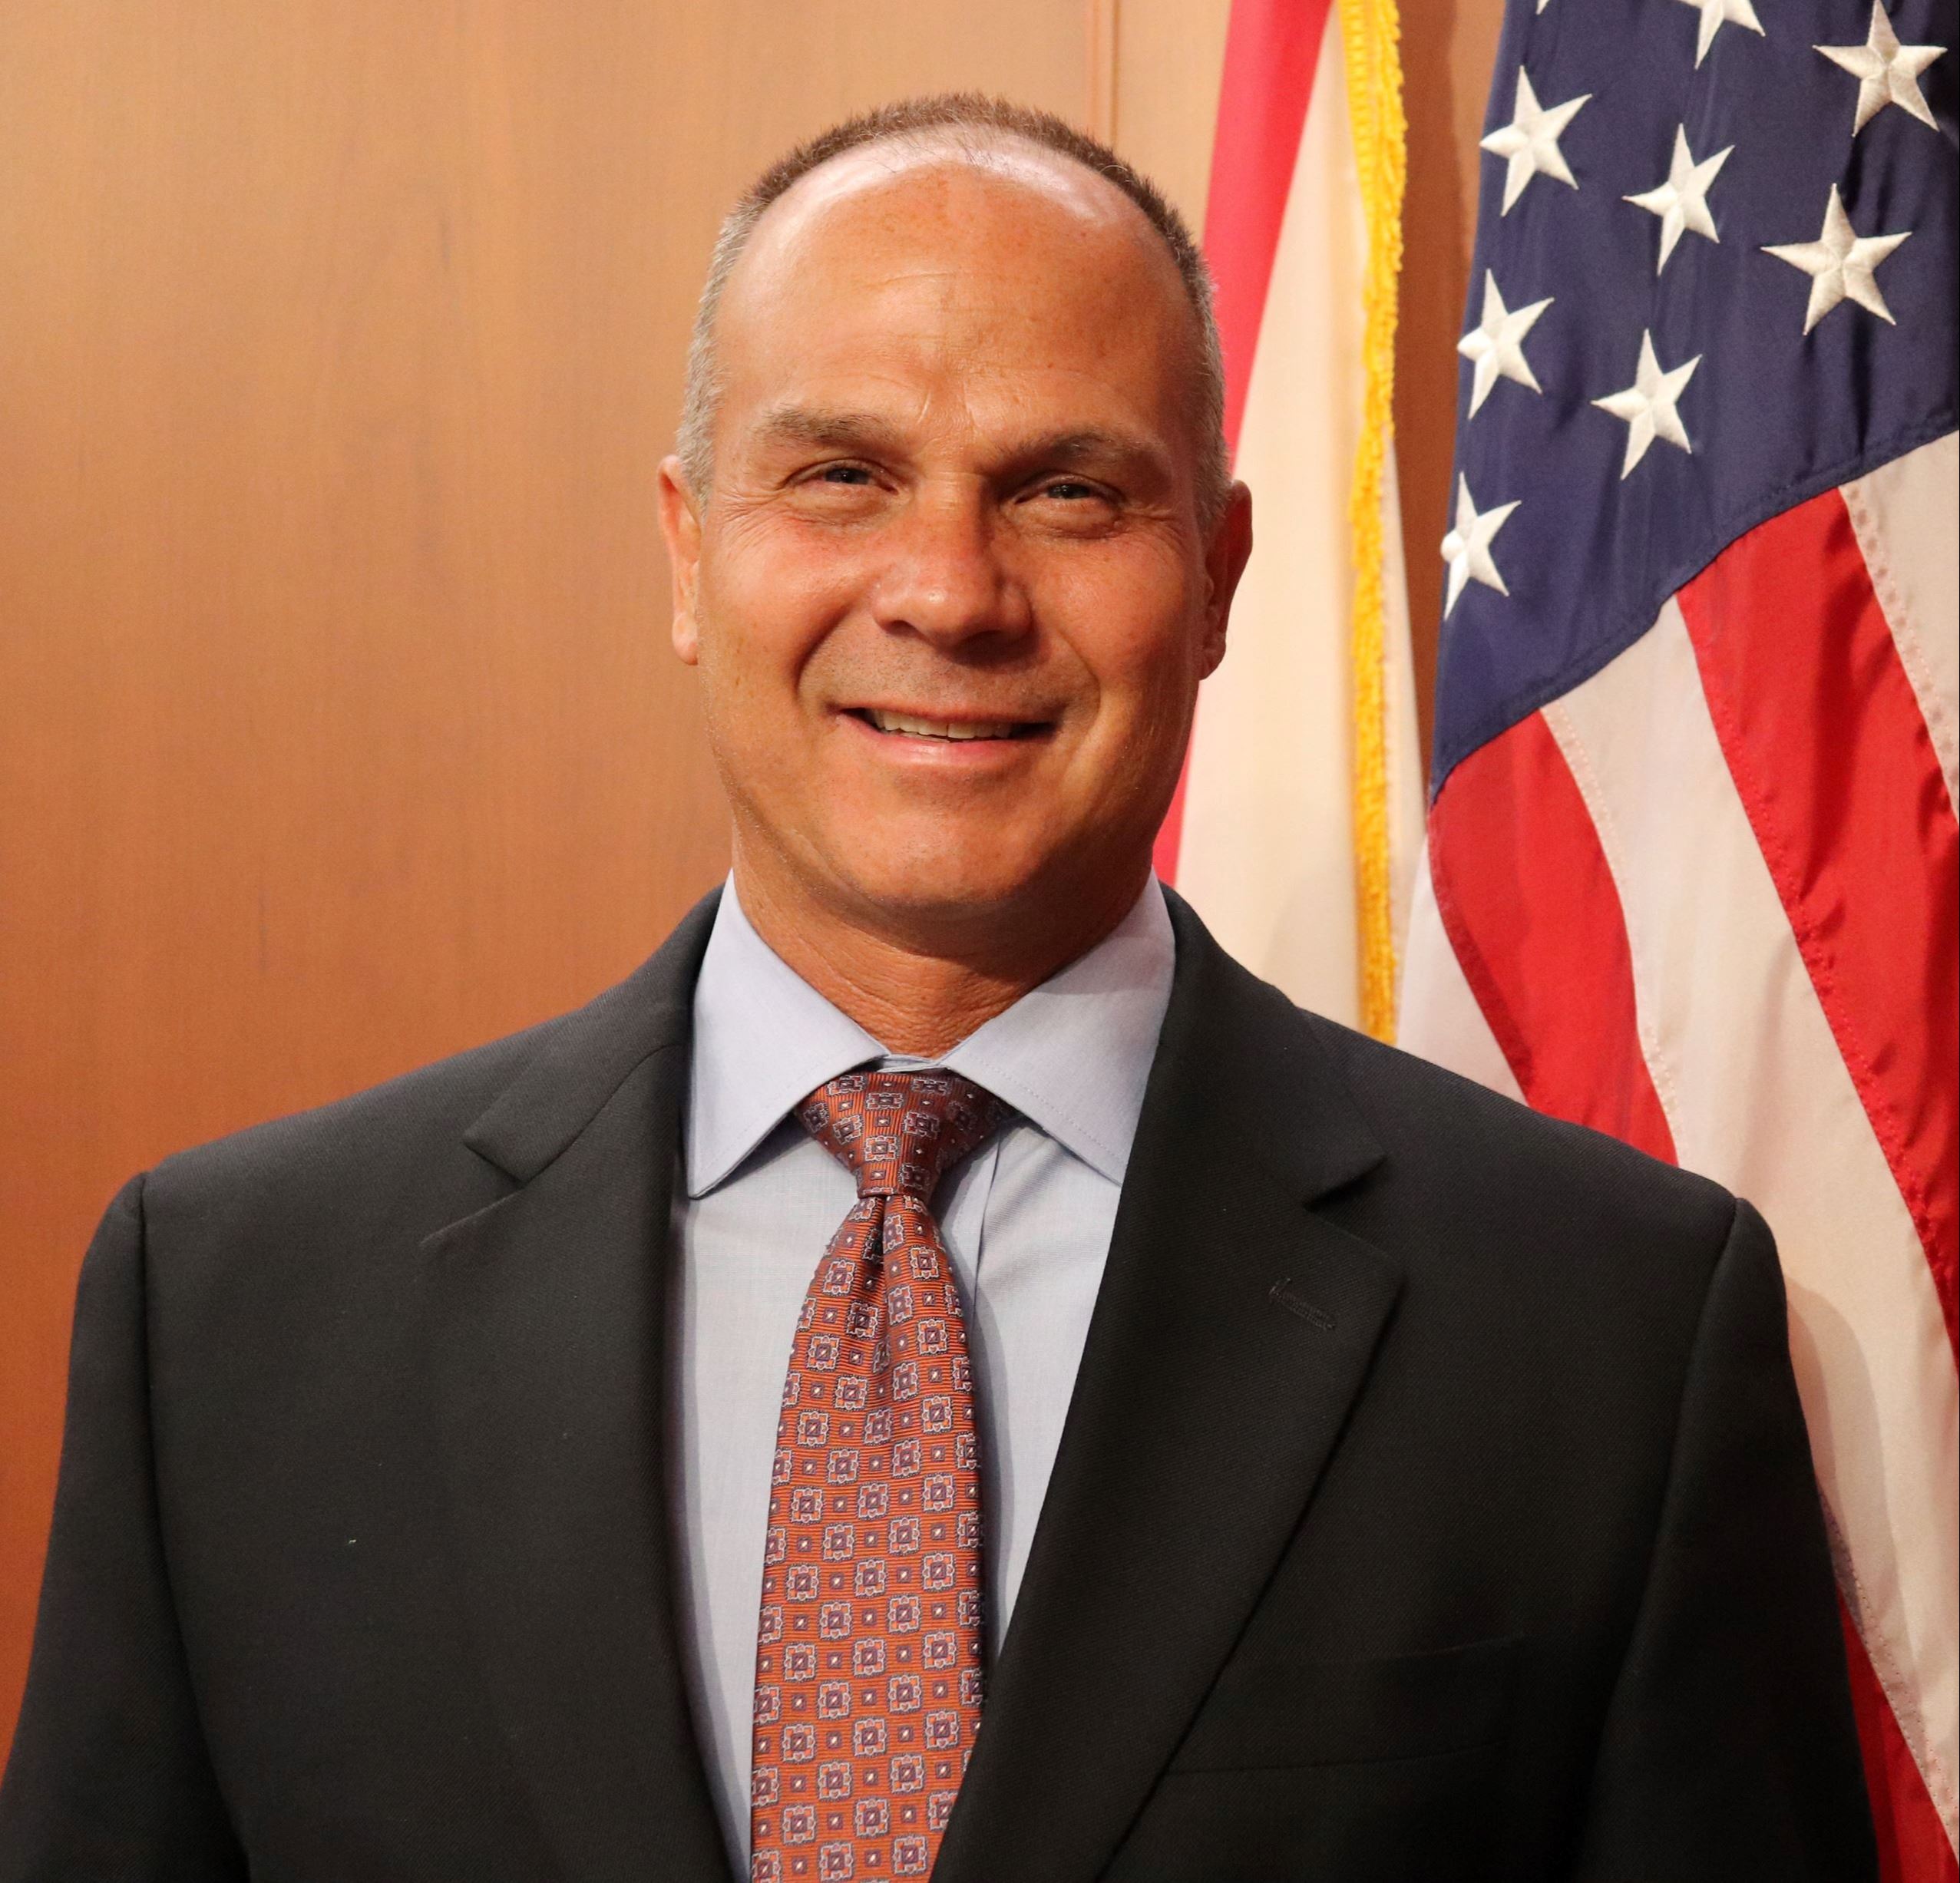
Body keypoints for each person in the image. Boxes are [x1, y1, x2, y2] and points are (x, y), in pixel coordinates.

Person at [0, 94, 1874, 1883]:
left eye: (1064, 491)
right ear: (686, 549)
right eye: (841, 476)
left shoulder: (1605, 1332)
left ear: (1216, 575)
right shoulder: (226, 1313)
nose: (948, 590)